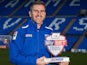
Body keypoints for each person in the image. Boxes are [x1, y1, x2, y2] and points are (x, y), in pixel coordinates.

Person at [9, 1, 69, 65]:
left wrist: (59, 61)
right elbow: (14, 58)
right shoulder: (21, 31)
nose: (39, 14)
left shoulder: (50, 32)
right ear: (30, 13)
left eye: (42, 11)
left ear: (45, 14)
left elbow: (52, 56)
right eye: (36, 11)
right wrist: (34, 61)